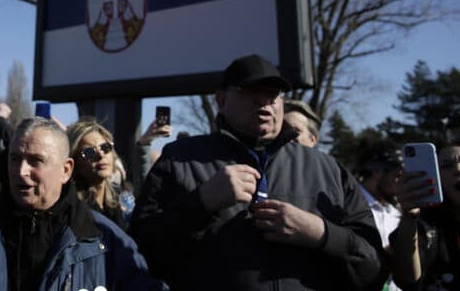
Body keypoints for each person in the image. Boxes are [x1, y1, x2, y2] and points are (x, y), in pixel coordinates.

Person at [130, 54, 386, 290]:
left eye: (272, 94)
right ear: (221, 100)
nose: (264, 102)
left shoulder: (327, 168)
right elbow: (139, 256)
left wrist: (320, 232)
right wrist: (201, 203)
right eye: (250, 92)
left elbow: (373, 266)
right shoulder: (180, 159)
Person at [0, 117, 160, 291]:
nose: (21, 171)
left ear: (66, 170)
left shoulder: (107, 242)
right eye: (15, 159)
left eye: (35, 161)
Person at [389, 139, 460, 291]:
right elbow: (406, 279)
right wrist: (409, 217)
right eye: (447, 165)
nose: (458, 169)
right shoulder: (424, 226)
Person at [67, 117, 129, 229]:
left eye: (105, 148)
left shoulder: (119, 196)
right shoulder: (70, 205)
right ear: (74, 160)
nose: (101, 155)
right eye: (89, 152)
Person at [357, 149, 404, 291]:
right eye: (397, 175)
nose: (401, 182)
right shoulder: (350, 204)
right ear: (377, 172)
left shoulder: (396, 213)